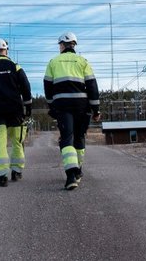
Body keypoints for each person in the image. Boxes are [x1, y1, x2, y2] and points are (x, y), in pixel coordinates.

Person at [44, 32, 101, 190]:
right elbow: (92, 87)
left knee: (67, 138)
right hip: (82, 106)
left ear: (62, 45)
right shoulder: (83, 61)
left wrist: (51, 106)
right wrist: (96, 109)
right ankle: (78, 170)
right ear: (74, 45)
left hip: (63, 106)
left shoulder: (53, 62)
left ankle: (70, 175)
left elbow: (48, 87)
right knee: (79, 137)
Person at [0, 38, 32, 187]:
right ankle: (16, 171)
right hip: (15, 110)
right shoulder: (15, 66)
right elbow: (26, 88)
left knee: (0, 143)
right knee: (17, 141)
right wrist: (27, 108)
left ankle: (2, 176)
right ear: (6, 50)